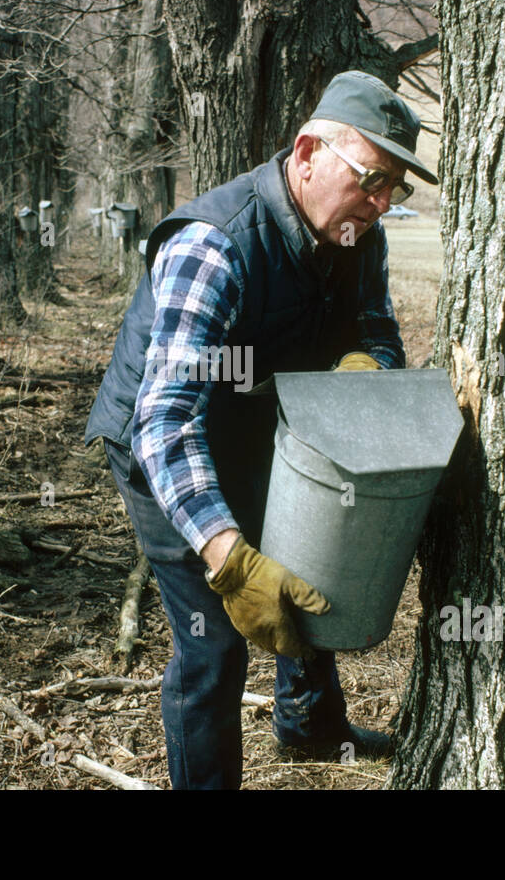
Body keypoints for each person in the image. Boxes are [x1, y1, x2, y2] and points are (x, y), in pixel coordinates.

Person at [84, 69, 438, 789]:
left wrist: (367, 364)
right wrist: (229, 557)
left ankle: (310, 724)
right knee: (214, 639)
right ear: (307, 152)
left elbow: (376, 324)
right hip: (159, 442)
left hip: (253, 417)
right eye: (370, 178)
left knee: (307, 559)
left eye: (393, 189)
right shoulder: (215, 245)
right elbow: (166, 418)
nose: (379, 202)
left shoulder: (357, 234)